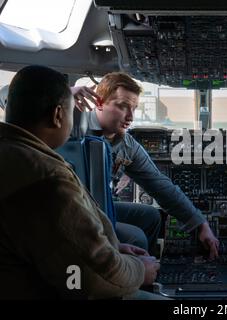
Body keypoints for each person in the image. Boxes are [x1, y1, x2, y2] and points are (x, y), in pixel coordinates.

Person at [0, 65, 160, 299]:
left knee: (149, 215)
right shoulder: (47, 179)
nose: (129, 116)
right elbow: (87, 276)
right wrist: (139, 271)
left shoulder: (14, 152)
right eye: (70, 110)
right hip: (54, 286)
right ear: (57, 115)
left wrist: (115, 248)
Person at [72, 72, 219, 259]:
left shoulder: (127, 145)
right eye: (122, 106)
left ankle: (146, 272)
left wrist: (201, 224)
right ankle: (126, 278)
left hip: (100, 208)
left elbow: (159, 185)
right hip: (76, 212)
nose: (130, 116)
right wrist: (64, 94)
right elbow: (27, 124)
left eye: (133, 108)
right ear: (99, 103)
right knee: (136, 238)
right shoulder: (72, 126)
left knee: (150, 216)